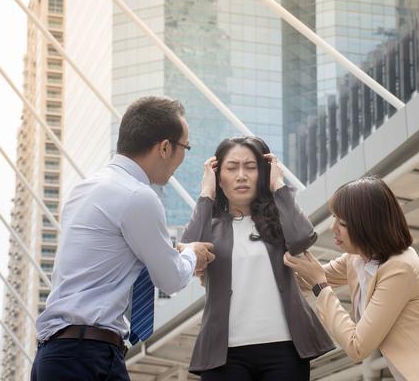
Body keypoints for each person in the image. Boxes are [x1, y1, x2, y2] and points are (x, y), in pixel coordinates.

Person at [31, 96, 215, 381]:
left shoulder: (86, 188)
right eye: (185, 147)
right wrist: (192, 253)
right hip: (88, 356)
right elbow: (171, 279)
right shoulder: (138, 197)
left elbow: (113, 252)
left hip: (57, 354)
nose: (183, 157)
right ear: (165, 147)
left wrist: (172, 249)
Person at [284, 176, 419, 381]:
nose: (333, 228)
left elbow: (357, 346)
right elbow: (308, 278)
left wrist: (321, 287)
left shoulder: (400, 268)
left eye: (342, 223)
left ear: (366, 226)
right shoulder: (357, 258)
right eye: (334, 218)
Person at [181, 136, 334, 380]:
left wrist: (279, 187)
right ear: (219, 176)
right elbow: (188, 254)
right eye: (232, 168)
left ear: (262, 174)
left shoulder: (279, 222)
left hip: (285, 349)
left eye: (251, 167)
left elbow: (303, 238)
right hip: (224, 355)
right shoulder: (210, 227)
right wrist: (206, 192)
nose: (241, 175)